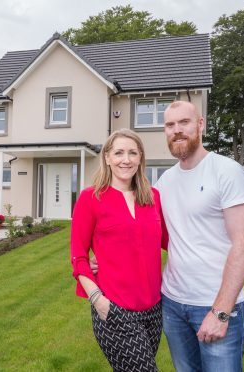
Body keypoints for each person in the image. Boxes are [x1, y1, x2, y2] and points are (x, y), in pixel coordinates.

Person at [155, 101, 244, 371]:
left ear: (200, 125)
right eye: (170, 125)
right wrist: (104, 260)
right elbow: (144, 232)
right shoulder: (164, 182)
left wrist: (220, 312)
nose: (177, 130)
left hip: (214, 304)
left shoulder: (227, 171)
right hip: (173, 304)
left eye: (184, 122)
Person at [70, 129, 168, 372]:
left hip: (154, 308)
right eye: (119, 153)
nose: (126, 159)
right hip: (115, 308)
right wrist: (98, 301)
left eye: (133, 153)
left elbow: (171, 242)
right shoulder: (90, 198)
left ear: (140, 158)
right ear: (107, 157)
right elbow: (79, 258)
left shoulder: (153, 197)